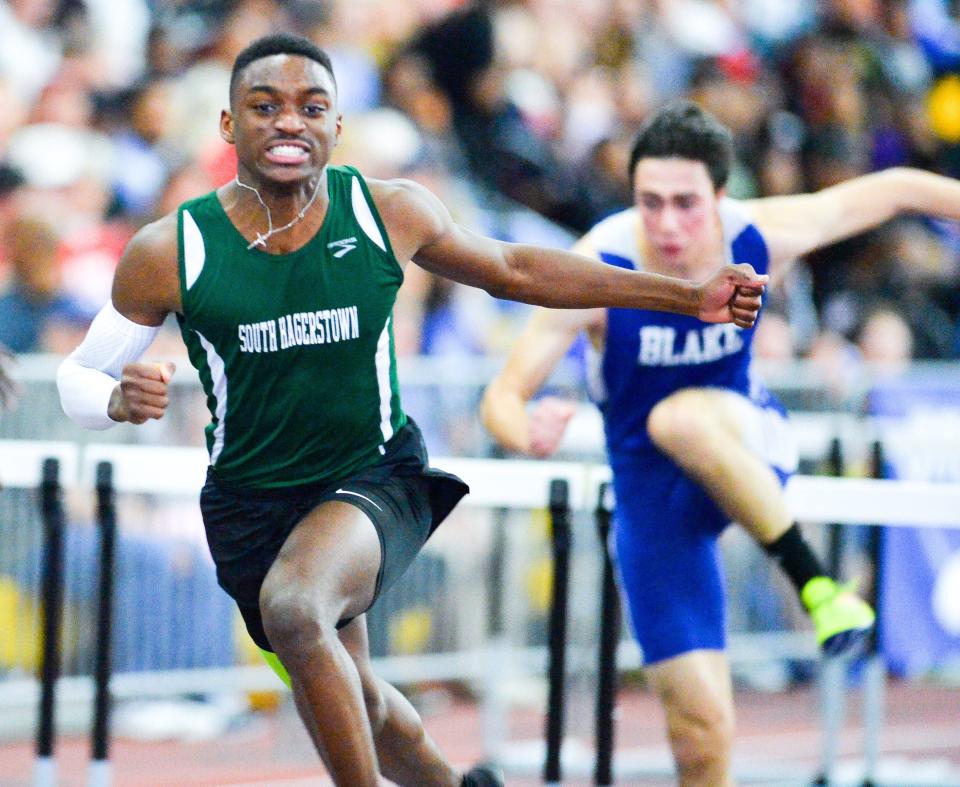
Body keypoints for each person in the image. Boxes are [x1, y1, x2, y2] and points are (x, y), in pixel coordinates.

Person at [55, 35, 766, 787]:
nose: (289, 123)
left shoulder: (384, 211)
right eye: (264, 107)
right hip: (249, 506)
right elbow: (77, 374)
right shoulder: (171, 249)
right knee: (360, 697)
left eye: (312, 107)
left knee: (297, 610)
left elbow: (514, 268)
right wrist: (114, 398)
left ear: (336, 126)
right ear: (230, 126)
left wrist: (686, 297)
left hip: (370, 477)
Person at [481, 99, 960, 787]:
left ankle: (818, 586)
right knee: (702, 734)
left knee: (680, 417)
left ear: (722, 196)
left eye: (686, 203)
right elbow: (501, 394)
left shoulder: (760, 233)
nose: (668, 224)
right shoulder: (601, 265)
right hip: (655, 502)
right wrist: (524, 430)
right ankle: (813, 596)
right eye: (650, 202)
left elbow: (897, 189)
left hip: (744, 443)